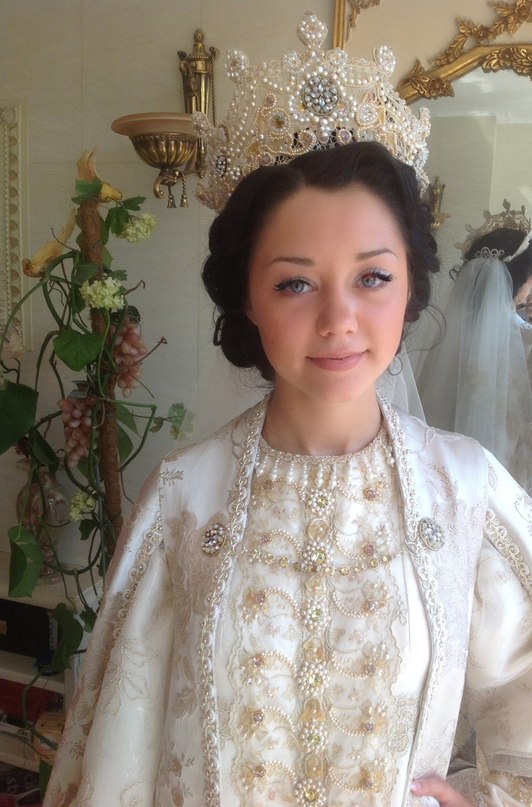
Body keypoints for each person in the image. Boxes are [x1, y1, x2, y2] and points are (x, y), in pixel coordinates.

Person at [43, 16, 532, 807]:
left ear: (411, 284)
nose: (339, 320)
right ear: (248, 297)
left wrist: (487, 796)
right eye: (295, 283)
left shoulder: (466, 490)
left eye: (372, 277)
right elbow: (119, 752)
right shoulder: (184, 498)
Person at [416, 206, 532, 495]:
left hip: (446, 466)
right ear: (519, 277)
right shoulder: (523, 337)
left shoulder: (451, 330)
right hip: (509, 469)